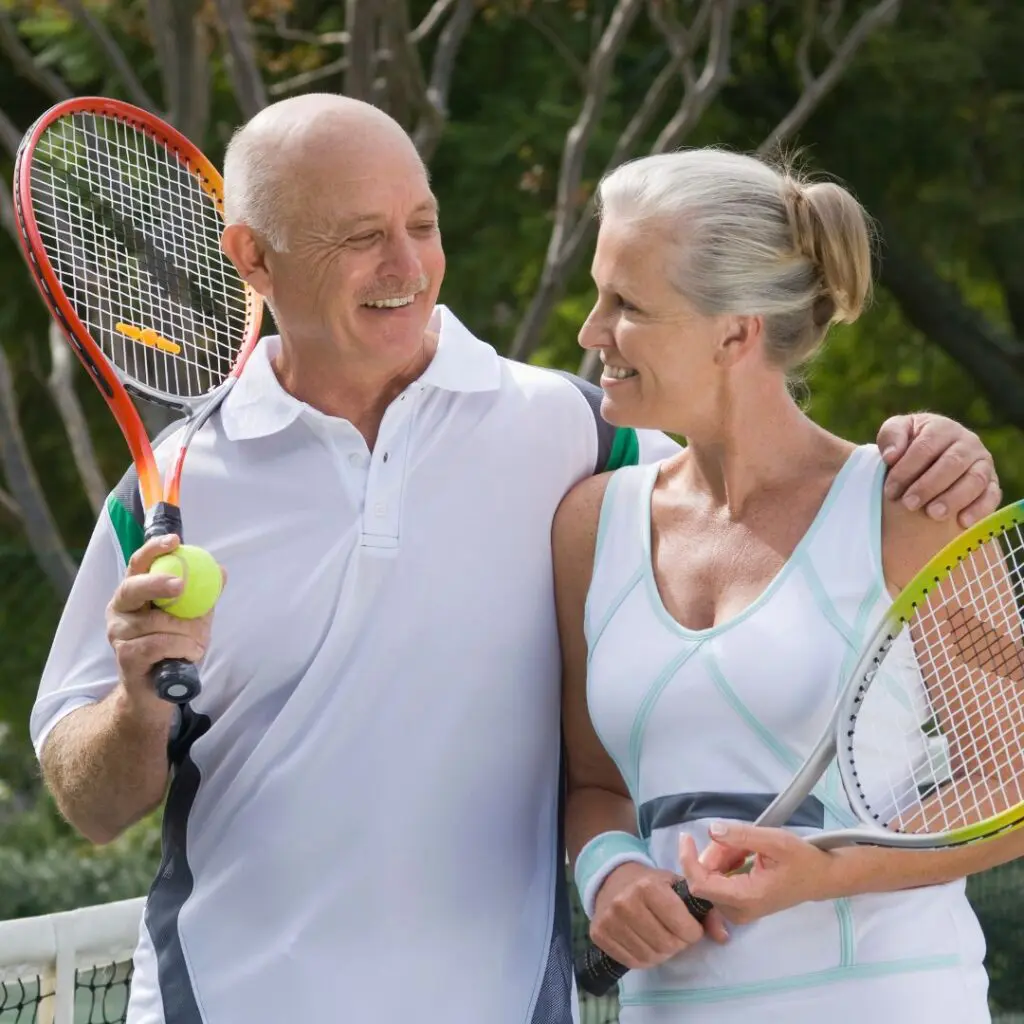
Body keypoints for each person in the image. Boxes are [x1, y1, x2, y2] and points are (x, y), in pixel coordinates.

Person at [30, 94, 1000, 1024]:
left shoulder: (573, 434)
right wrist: (138, 700)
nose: (406, 264)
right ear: (252, 257)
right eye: (360, 236)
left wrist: (928, 450)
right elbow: (92, 803)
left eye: (421, 222)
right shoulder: (173, 489)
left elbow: (766, 474)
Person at [554, 147, 1018, 1024]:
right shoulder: (587, 526)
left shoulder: (913, 508)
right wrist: (607, 867)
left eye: (628, 306)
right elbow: (594, 781)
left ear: (736, 332)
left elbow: (1015, 780)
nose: (591, 330)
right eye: (598, 292)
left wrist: (828, 874)